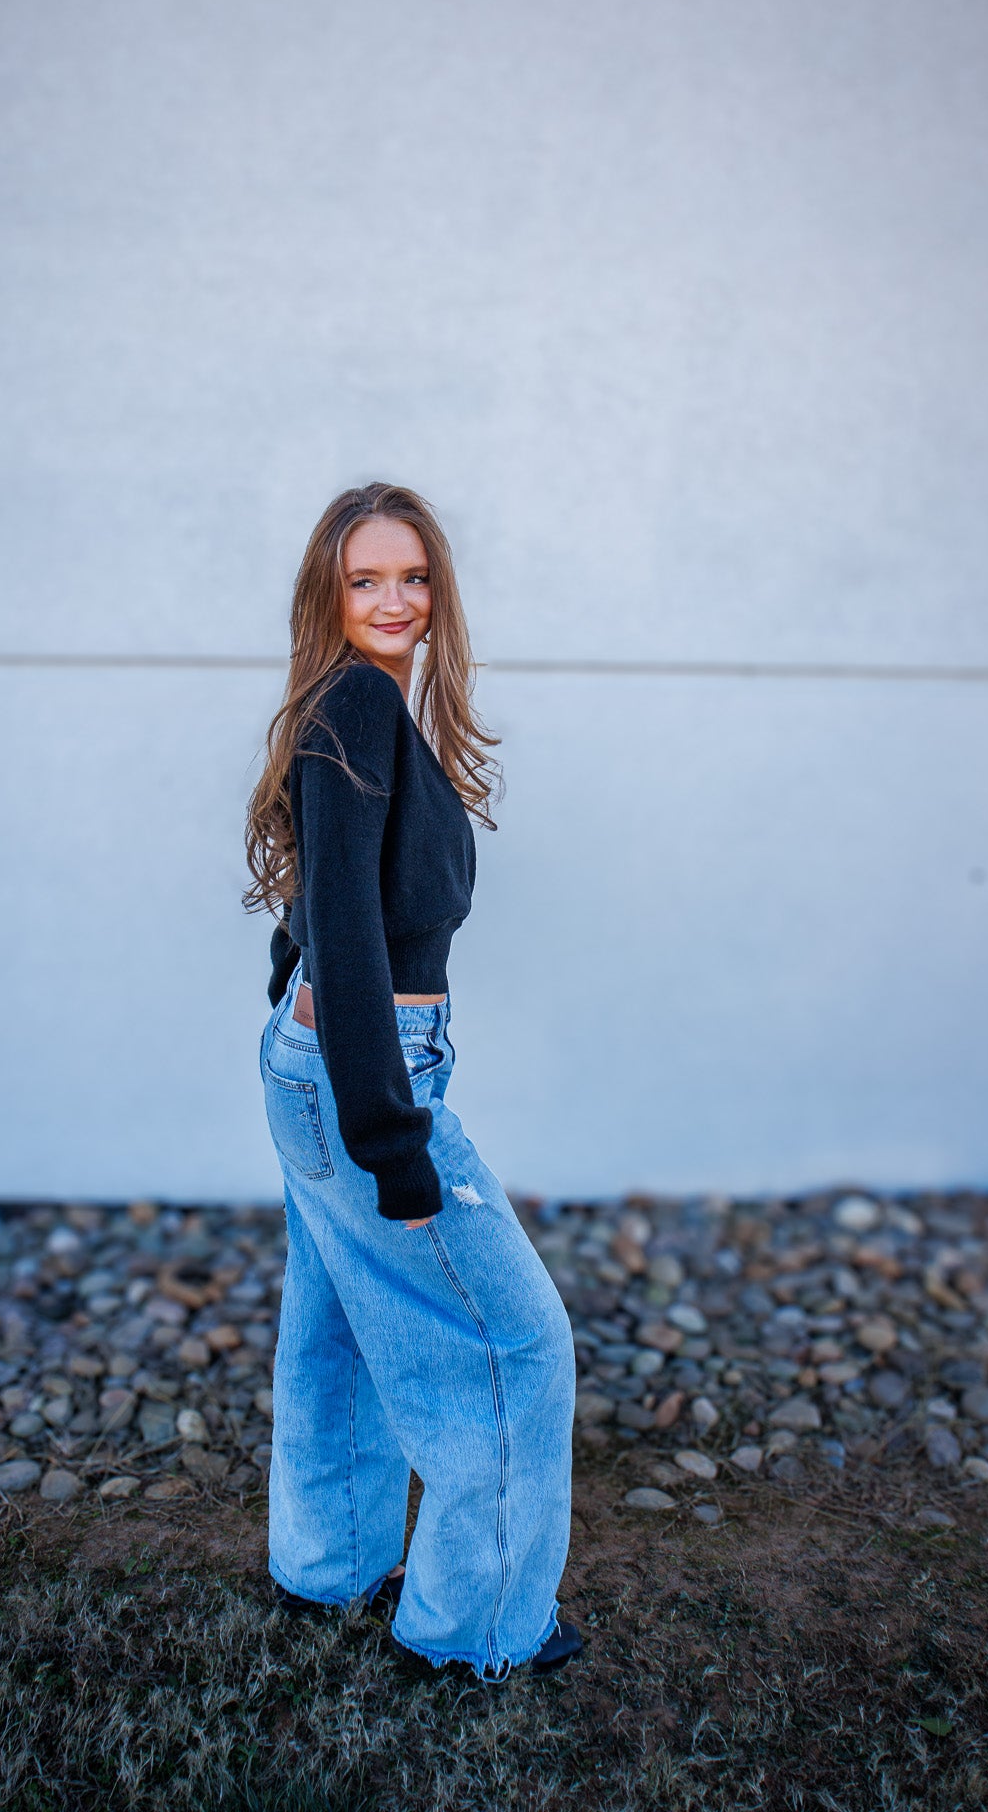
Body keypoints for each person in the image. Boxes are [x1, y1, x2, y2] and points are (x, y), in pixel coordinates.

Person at [243, 481, 582, 1682]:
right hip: (369, 1071)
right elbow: (342, 919)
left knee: (338, 1321)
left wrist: (294, 1007)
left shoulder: (358, 707)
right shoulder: (357, 708)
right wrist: (390, 1132)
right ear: (329, 595)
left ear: (439, 590)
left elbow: (325, 900)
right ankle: (474, 1625)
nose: (394, 600)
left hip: (326, 1056)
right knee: (518, 1343)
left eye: (414, 576)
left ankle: (328, 1561)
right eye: (365, 579)